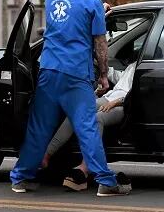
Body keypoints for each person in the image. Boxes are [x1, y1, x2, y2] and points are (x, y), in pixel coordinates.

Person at [9, 0, 131, 197]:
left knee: (39, 127)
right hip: (76, 75)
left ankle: (21, 178)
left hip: (49, 71)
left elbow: (68, 23)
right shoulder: (93, 2)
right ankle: (106, 182)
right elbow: (100, 44)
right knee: (87, 127)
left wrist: (97, 12)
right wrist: (104, 75)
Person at [42, 61, 135, 191]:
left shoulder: (143, 66)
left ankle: (84, 168)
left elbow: (136, 94)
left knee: (97, 118)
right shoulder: (132, 66)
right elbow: (116, 77)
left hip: (125, 105)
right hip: (108, 98)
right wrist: (98, 62)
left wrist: (115, 102)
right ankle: (46, 154)